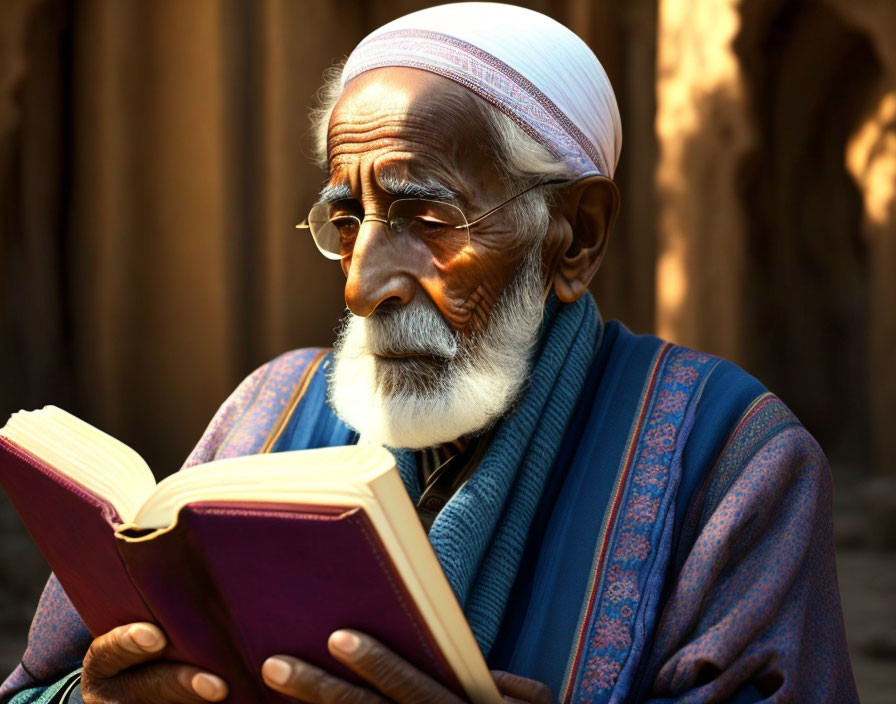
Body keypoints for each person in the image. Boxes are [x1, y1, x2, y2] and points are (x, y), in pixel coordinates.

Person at [1, 3, 858, 703]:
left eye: (426, 218)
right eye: (347, 222)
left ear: (576, 236)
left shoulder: (733, 462)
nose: (364, 284)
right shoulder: (267, 411)